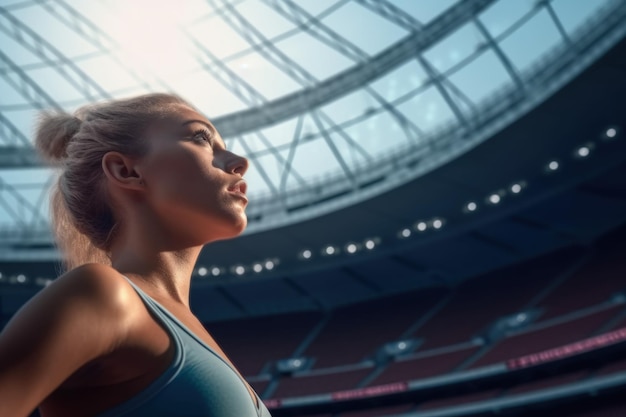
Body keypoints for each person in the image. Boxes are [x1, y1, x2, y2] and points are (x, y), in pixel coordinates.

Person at [0, 93, 271, 417]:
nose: (240, 161)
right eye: (201, 138)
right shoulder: (103, 295)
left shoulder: (189, 328)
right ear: (125, 170)